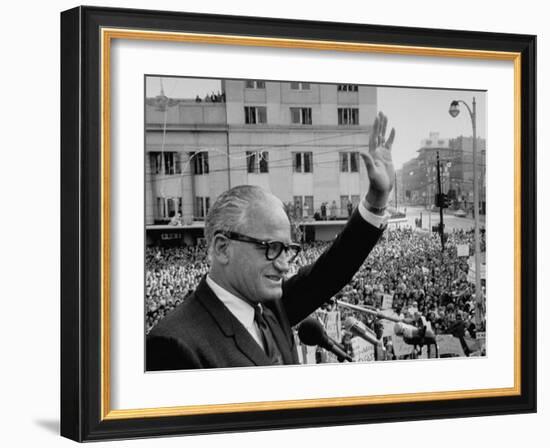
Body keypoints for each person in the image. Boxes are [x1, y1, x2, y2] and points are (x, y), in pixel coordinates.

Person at [146, 112, 396, 370]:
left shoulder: (272, 307)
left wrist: (376, 200)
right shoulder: (174, 344)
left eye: (288, 249)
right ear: (222, 248)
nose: (284, 265)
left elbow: (329, 273)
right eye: (272, 248)